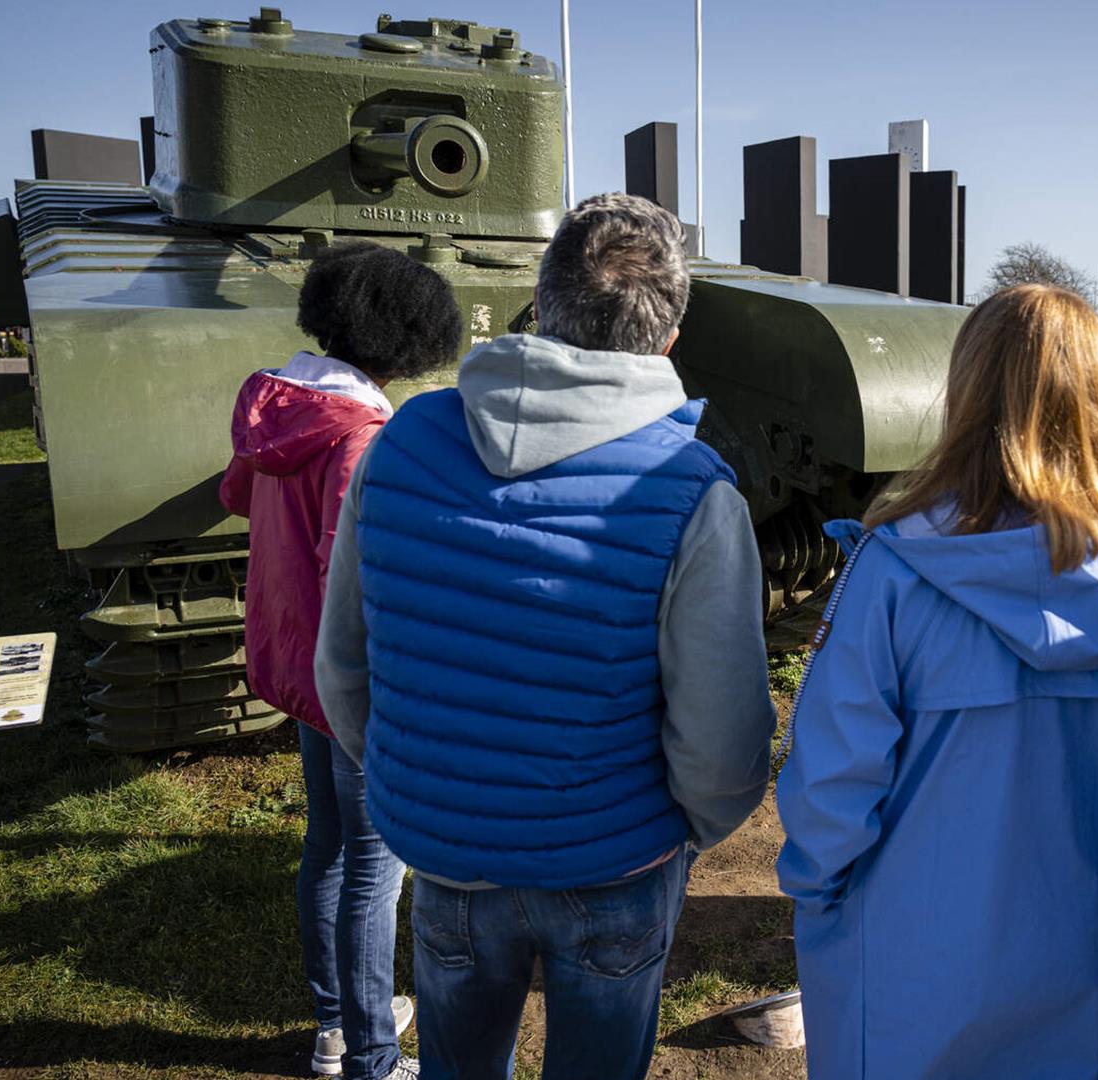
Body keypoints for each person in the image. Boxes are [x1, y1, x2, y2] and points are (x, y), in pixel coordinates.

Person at [314, 193, 775, 1080]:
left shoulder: (402, 444)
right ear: (670, 334)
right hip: (618, 863)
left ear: (544, 301)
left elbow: (343, 668)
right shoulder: (694, 490)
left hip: (447, 858)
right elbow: (720, 740)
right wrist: (682, 831)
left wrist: (421, 785)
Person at [776, 284, 1098, 1079]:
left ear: (966, 390)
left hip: (914, 961)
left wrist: (821, 893)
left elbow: (831, 783)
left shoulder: (889, 572)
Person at [220, 241, 461, 1080]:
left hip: (294, 662)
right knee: (374, 869)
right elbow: (364, 585)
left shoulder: (277, 406)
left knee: (328, 846)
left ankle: (337, 1021)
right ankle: (371, 1053)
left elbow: (232, 493)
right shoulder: (363, 437)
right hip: (358, 686)